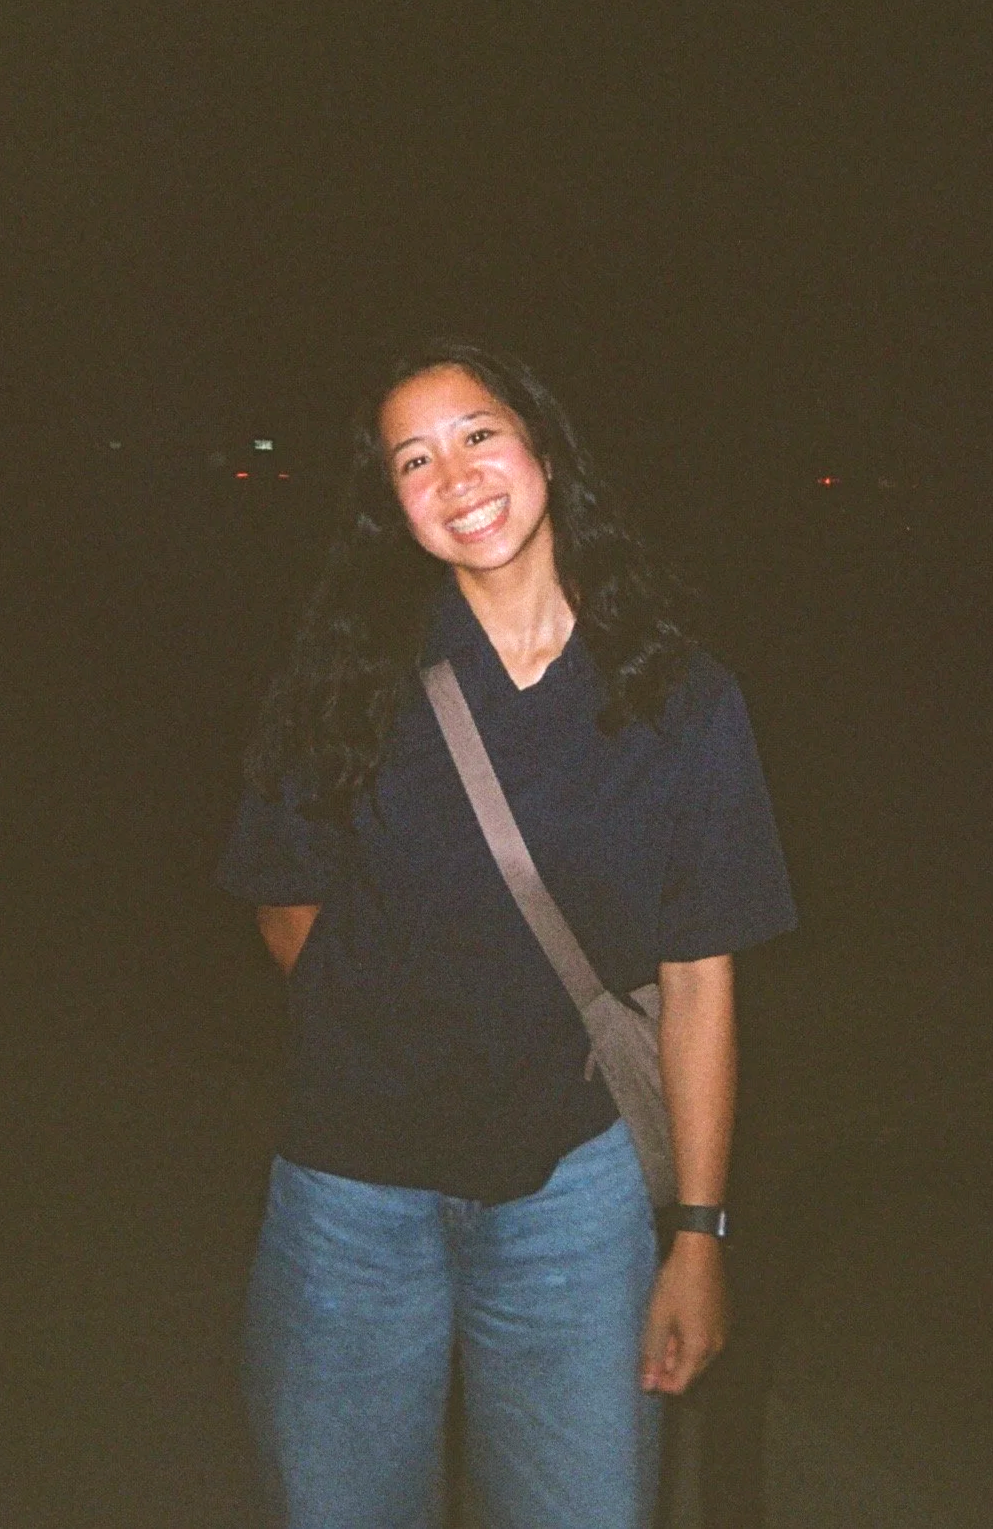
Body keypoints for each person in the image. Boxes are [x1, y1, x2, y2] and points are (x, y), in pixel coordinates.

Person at [218, 337, 796, 1529]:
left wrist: (696, 1234)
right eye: (412, 459)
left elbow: (698, 979)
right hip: (348, 1192)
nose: (455, 476)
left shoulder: (678, 696)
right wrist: (393, 1039)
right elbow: (284, 896)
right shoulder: (350, 674)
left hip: (571, 1194)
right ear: (392, 504)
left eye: (478, 433)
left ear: (543, 447)